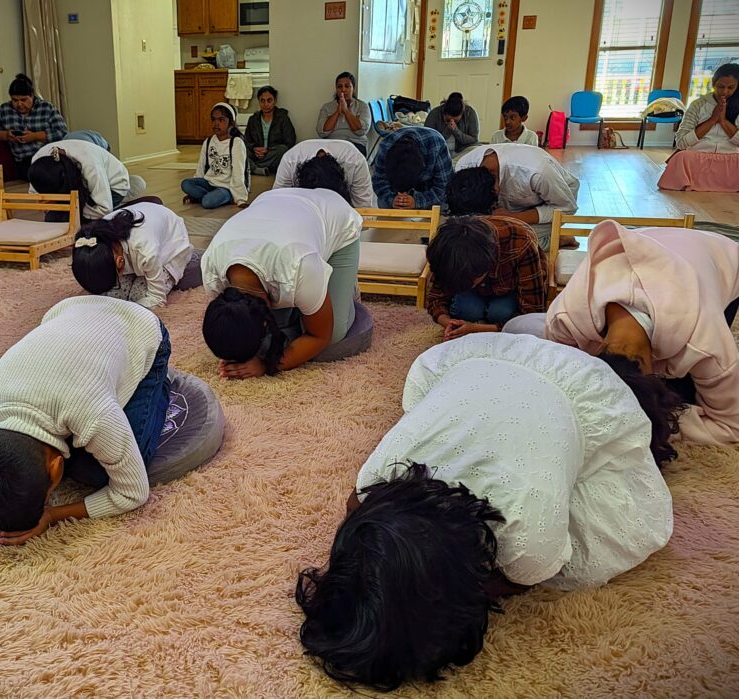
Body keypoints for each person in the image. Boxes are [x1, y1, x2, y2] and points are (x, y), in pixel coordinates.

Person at [296, 332, 678, 690]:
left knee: (601, 537)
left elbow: (523, 577)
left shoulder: (525, 537)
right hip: (481, 362)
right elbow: (356, 508)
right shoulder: (378, 475)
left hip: (578, 387)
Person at [0, 295, 171, 546]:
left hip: (138, 325)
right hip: (65, 310)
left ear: (57, 466)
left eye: (48, 497)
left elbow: (133, 492)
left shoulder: (91, 414)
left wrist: (53, 515)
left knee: (97, 474)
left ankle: (161, 382)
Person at [506, 220, 739, 445]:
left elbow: (730, 426)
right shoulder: (565, 319)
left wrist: (664, 419)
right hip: (645, 242)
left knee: (689, 392)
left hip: (719, 256)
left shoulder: (705, 344)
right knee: (519, 327)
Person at [201, 188, 362, 379]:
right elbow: (233, 318)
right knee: (286, 322)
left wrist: (267, 364)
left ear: (264, 322)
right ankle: (313, 298)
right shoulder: (212, 272)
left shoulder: (298, 267)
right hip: (273, 203)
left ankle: (341, 287)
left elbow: (320, 336)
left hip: (335, 216)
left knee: (334, 334)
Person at [426, 216, 546, 339]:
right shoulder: (448, 253)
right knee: (467, 310)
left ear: (484, 268)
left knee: (499, 313)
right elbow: (436, 298)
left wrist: (477, 329)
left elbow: (531, 315)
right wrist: (447, 322)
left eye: (467, 282)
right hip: (478, 287)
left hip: (510, 290)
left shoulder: (520, 243)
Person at [449, 143, 580, 250]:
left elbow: (567, 208)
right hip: (506, 208)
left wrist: (513, 218)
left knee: (515, 243)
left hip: (554, 201)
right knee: (472, 239)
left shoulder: (538, 171)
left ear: (496, 190)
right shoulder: (464, 167)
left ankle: (556, 239)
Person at [71, 202, 202, 308]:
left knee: (137, 298)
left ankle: (195, 259)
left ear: (120, 263)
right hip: (147, 220)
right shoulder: (93, 239)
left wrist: (130, 312)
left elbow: (157, 298)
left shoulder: (145, 250)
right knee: (110, 297)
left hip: (171, 240)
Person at [658, 63, 739, 192]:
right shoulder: (698, 105)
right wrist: (712, 120)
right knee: (681, 157)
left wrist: (723, 121)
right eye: (720, 86)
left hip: (730, 160)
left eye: (731, 87)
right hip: (698, 158)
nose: (725, 92)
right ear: (713, 84)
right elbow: (681, 142)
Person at [28, 139, 147, 222]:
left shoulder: (90, 166)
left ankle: (127, 194)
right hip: (82, 184)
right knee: (55, 218)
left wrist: (69, 209)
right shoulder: (38, 162)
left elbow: (104, 209)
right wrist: (43, 203)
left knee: (71, 220)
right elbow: (34, 195)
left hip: (115, 185)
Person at [0, 73, 68, 181]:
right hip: (24, 161)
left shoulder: (46, 108)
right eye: (15, 100)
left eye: (23, 100)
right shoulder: (5, 109)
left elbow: (62, 131)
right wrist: (6, 135)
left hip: (48, 156)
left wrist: (34, 136)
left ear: (32, 96)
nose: (19, 104)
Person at [182, 103, 248, 209]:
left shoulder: (236, 143)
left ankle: (227, 197)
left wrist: (240, 199)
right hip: (209, 183)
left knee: (207, 202)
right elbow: (201, 167)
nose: (216, 124)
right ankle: (207, 196)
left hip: (226, 187)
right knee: (185, 184)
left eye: (221, 120)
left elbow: (238, 172)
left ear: (230, 123)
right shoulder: (208, 141)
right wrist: (193, 190)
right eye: (213, 120)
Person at [273, 139, 374, 208]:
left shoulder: (356, 162)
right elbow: (277, 202)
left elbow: (364, 209)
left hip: (341, 212)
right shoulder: (290, 160)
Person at [371, 126, 453, 210]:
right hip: (395, 190)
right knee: (383, 202)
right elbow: (378, 181)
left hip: (427, 187)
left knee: (442, 205)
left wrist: (417, 201)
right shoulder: (385, 148)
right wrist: (392, 200)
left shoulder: (437, 145)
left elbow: (443, 188)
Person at [243, 86, 297, 175]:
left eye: (269, 100)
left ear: (274, 101)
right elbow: (246, 141)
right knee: (241, 149)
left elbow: (290, 142)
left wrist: (268, 150)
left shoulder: (282, 118)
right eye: (262, 101)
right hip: (256, 155)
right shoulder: (253, 119)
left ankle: (253, 168)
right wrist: (254, 149)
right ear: (259, 101)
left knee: (283, 150)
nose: (266, 104)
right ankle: (258, 168)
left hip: (272, 154)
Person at [316, 72, 372, 156]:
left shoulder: (362, 106)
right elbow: (322, 132)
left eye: (347, 86)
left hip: (355, 144)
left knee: (346, 157)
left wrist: (346, 110)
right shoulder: (326, 107)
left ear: (353, 89)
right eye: (339, 87)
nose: (343, 90)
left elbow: (361, 131)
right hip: (332, 143)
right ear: (336, 89)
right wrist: (337, 112)